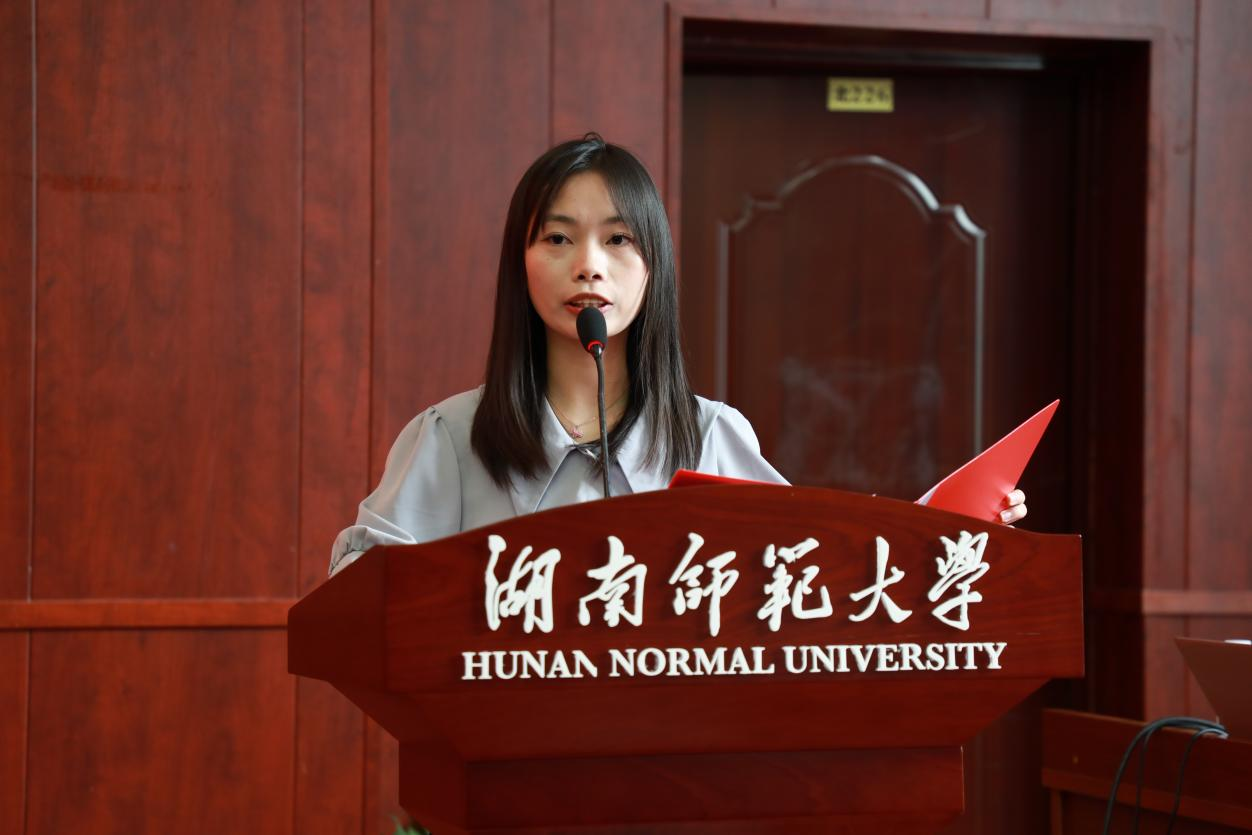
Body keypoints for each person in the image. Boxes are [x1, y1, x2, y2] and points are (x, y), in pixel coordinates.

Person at [329, 134, 1025, 577]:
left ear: (653, 267)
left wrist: (942, 533)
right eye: (559, 239)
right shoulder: (451, 438)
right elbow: (356, 589)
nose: (589, 265)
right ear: (522, 265)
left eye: (619, 240)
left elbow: (811, 568)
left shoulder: (711, 435)